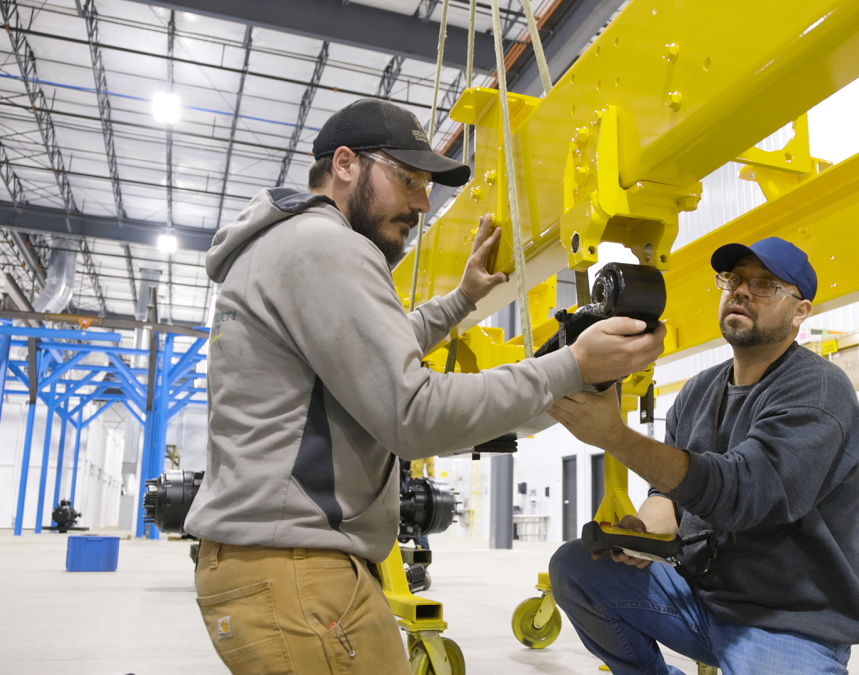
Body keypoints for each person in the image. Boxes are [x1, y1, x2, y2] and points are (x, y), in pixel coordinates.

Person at [184, 98, 665, 675]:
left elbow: (366, 353)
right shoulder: (327, 245)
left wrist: (462, 300)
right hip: (296, 570)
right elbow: (412, 415)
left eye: (426, 186)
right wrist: (571, 366)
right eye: (407, 178)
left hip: (287, 565)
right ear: (344, 164)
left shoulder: (286, 244)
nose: (421, 203)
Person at [547, 237, 859, 675]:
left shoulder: (818, 391)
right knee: (575, 566)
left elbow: (745, 495)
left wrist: (615, 436)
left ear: (800, 312)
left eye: (764, 285)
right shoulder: (698, 391)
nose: (740, 291)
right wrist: (645, 531)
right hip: (702, 601)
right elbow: (670, 493)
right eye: (734, 279)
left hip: (787, 621)